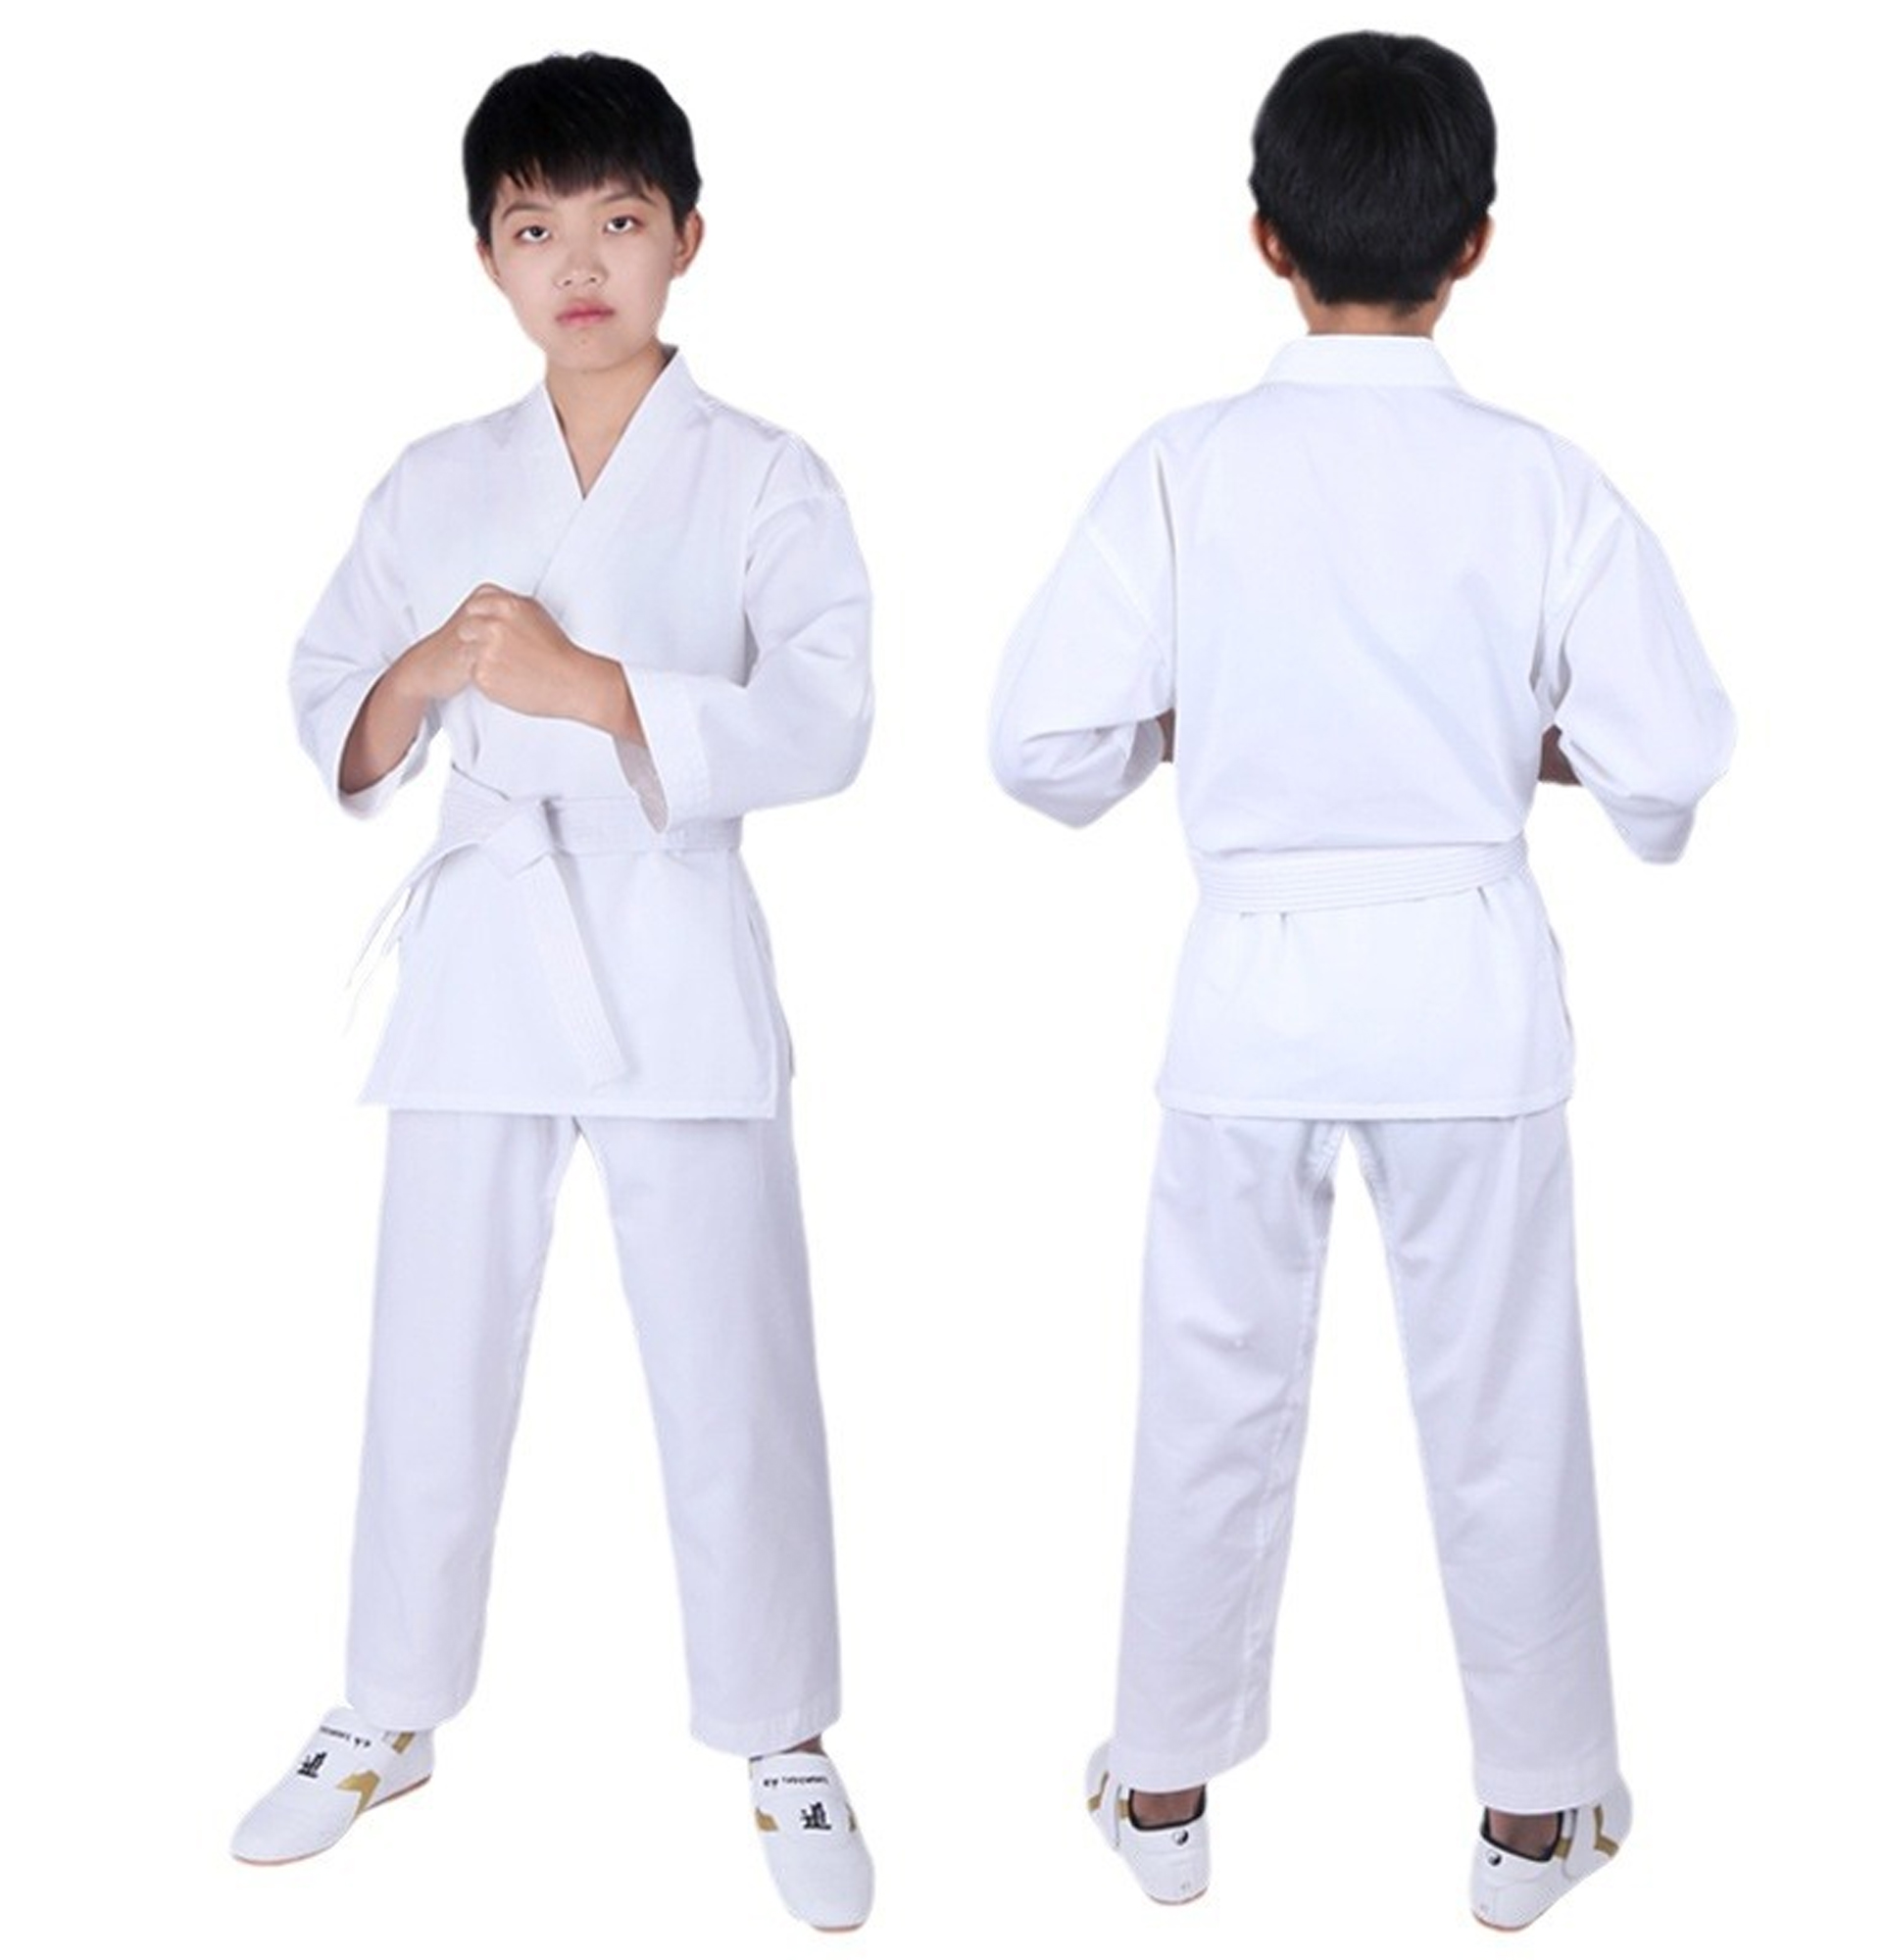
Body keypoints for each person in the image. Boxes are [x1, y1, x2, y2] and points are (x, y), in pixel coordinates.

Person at [991, 29, 1733, 1933]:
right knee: (1505, 1405)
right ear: (1474, 243)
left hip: (1248, 992)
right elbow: (1665, 763)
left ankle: (1161, 1787)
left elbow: (1041, 749)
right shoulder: (1539, 481)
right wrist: (1507, 747)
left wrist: (1210, 727)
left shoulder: (1184, 468)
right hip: (1466, 991)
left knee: (1208, 1389)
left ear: (1265, 237)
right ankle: (1535, 1819)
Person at [230, 52, 874, 1933]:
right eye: (534, 227)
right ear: (487, 257)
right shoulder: (437, 480)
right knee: (431, 1349)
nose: (578, 262)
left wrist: (593, 690)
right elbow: (333, 713)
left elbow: (826, 717)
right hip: (486, 950)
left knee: (732, 1358)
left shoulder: (766, 474)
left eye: (617, 219)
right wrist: (433, 668)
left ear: (687, 237)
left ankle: (781, 1732)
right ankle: (388, 1707)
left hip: (671, 933)